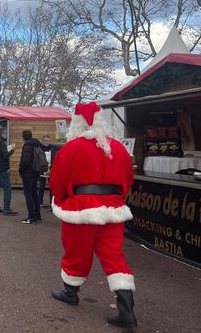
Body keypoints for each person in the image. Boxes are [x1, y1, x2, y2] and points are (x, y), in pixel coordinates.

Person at [50, 102, 137, 328]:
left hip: (80, 209)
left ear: (76, 123)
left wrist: (60, 201)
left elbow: (57, 181)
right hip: (112, 210)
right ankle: (127, 308)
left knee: (76, 252)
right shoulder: (118, 148)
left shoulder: (70, 149)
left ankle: (71, 293)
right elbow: (127, 179)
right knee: (113, 255)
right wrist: (115, 200)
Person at [19, 130, 43, 223]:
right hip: (36, 172)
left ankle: (31, 216)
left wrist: (21, 170)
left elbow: (25, 161)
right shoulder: (37, 144)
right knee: (34, 193)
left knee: (28, 194)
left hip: (28, 173)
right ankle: (37, 215)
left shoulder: (27, 146)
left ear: (24, 137)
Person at [38, 134, 53, 208]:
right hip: (42, 169)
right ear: (42, 141)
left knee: (52, 186)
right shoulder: (39, 148)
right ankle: (40, 202)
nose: (47, 142)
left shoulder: (52, 147)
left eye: (48, 141)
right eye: (46, 141)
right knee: (41, 185)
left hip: (50, 168)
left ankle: (51, 203)